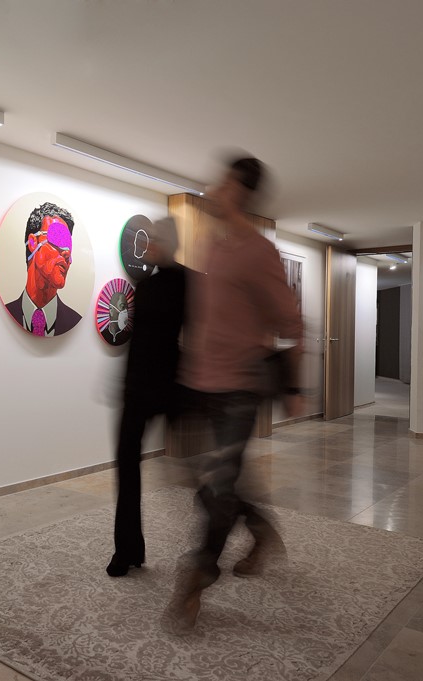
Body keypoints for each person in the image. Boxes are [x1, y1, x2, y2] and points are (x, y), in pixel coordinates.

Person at [164, 156, 304, 632]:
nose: (212, 190)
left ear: (239, 192)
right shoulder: (211, 245)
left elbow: (291, 324)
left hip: (240, 388)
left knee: (220, 485)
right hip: (197, 382)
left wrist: (294, 386)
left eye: (222, 184)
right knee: (200, 479)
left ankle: (197, 577)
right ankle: (261, 529)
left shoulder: (260, 252)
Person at [107, 217, 186, 576]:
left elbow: (198, 338)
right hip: (138, 389)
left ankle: (216, 542)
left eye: (155, 240)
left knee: (201, 472)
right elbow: (138, 342)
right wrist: (124, 385)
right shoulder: (146, 285)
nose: (148, 246)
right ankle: (127, 550)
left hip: (172, 388)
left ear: (169, 244)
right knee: (126, 465)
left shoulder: (188, 283)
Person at [4, 202, 81, 336]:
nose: (67, 253)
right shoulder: (2, 317)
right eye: (58, 238)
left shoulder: (74, 322)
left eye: (69, 245)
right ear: (33, 242)